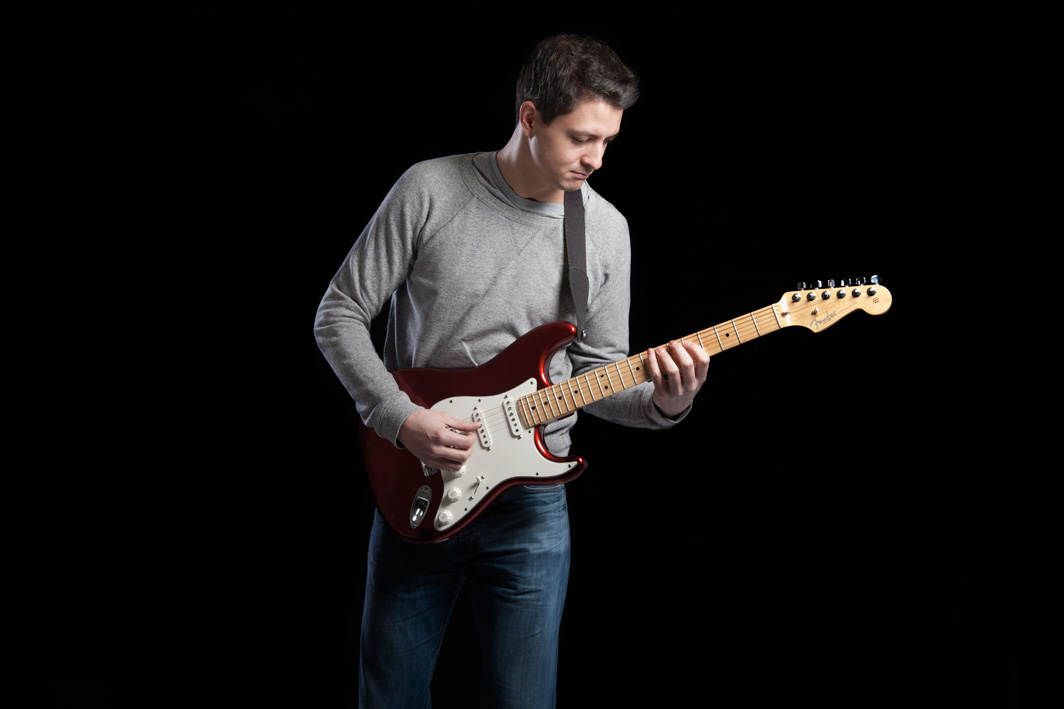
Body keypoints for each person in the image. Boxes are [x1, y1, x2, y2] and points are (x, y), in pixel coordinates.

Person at [314, 34, 709, 708]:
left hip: (532, 505)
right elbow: (340, 312)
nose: (598, 158)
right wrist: (399, 417)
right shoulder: (430, 189)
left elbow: (600, 371)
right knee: (390, 696)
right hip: (421, 481)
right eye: (581, 138)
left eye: (609, 141)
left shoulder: (605, 231)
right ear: (529, 119)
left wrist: (667, 402)